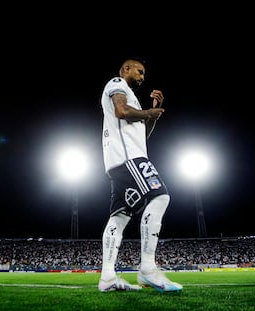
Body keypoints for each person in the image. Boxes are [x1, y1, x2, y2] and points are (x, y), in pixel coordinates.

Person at [98, 58, 183, 293]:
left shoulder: (132, 98)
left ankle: (107, 278)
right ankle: (147, 268)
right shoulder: (117, 84)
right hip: (129, 159)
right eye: (140, 72)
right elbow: (121, 110)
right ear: (126, 69)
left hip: (121, 160)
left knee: (120, 216)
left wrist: (151, 115)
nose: (143, 77)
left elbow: (140, 137)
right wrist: (147, 112)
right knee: (160, 196)